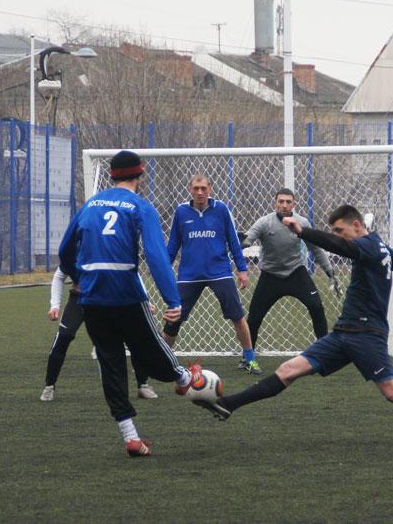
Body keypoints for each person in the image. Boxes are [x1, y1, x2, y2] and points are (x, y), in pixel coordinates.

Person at [197, 204, 393, 444]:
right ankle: (228, 404)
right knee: (288, 370)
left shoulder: (366, 246)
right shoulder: (379, 249)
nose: (339, 236)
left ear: (357, 225)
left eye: (340, 230)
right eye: (335, 231)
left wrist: (303, 232)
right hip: (343, 333)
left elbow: (340, 246)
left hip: (366, 334)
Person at [58, 150, 201, 457]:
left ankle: (130, 436)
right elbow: (155, 254)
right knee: (149, 347)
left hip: (92, 297)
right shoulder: (140, 206)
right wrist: (172, 299)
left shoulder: (89, 206)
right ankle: (185, 378)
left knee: (110, 362)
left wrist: (77, 276)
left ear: (112, 175)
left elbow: (65, 250)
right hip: (125, 293)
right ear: (140, 174)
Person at [164, 174, 262, 375]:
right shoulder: (181, 212)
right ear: (190, 190)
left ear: (210, 189)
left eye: (203, 188)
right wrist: (163, 270)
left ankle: (250, 359)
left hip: (220, 272)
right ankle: (161, 360)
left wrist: (242, 269)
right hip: (189, 275)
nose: (200, 192)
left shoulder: (221, 209)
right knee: (174, 319)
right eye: (196, 188)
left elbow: (233, 241)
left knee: (238, 316)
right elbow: (173, 245)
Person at [39, 267, 159, 402]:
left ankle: (143, 385)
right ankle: (49, 386)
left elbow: (132, 272)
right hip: (79, 299)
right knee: (64, 336)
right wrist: (55, 305)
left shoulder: (111, 252)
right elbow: (59, 275)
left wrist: (144, 299)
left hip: (108, 299)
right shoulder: (71, 253)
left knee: (132, 334)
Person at [241, 188, 339, 350]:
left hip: (296, 273)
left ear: (294, 204)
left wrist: (330, 272)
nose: (284, 205)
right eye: (281, 201)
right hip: (270, 276)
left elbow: (315, 249)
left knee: (316, 306)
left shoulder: (302, 223)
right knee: (254, 317)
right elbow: (247, 240)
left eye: (288, 202)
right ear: (274, 203)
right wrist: (239, 241)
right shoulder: (264, 222)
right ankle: (248, 356)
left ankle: (324, 352)